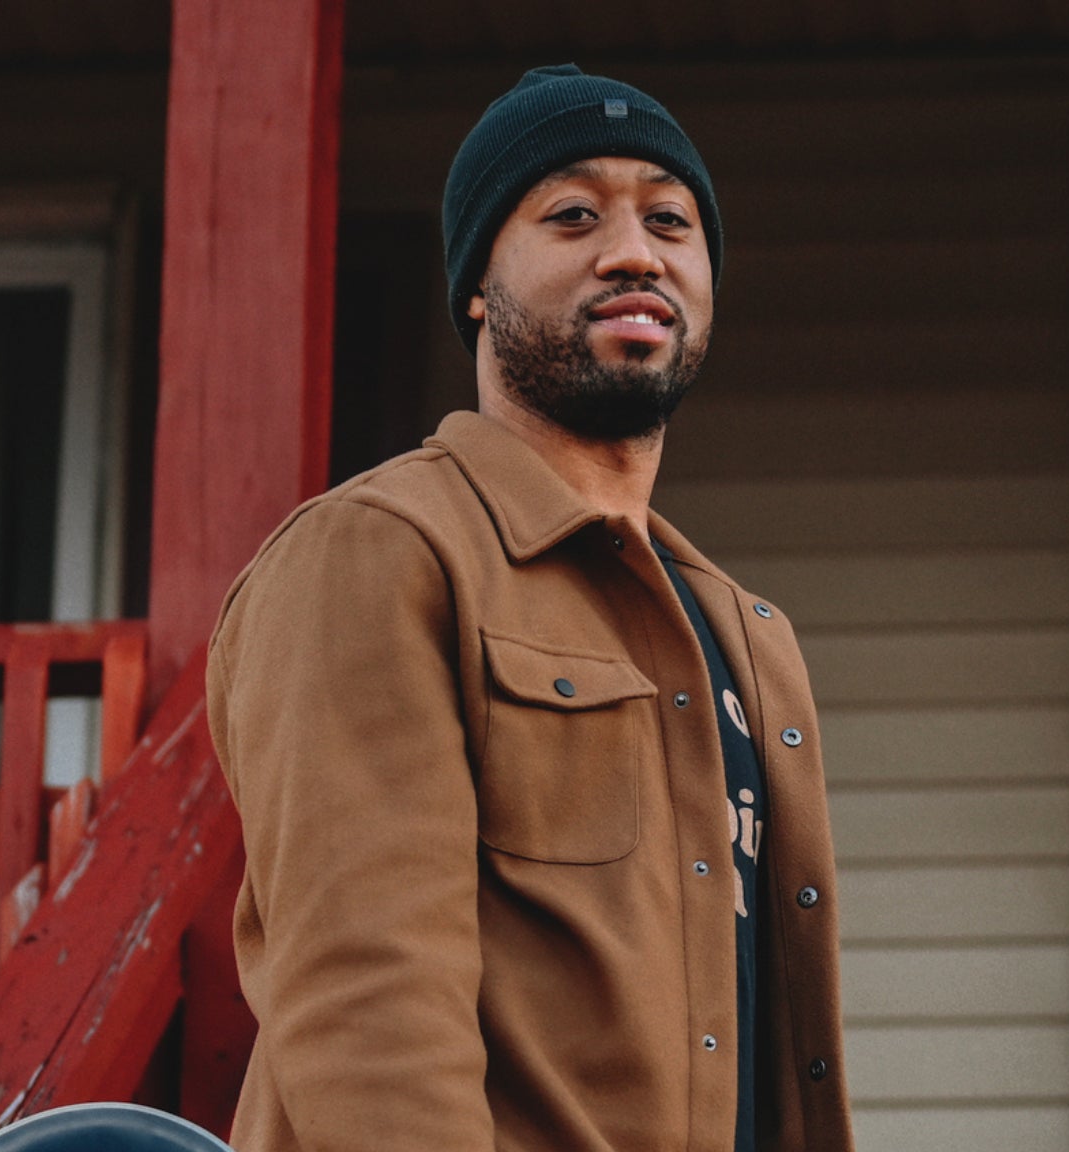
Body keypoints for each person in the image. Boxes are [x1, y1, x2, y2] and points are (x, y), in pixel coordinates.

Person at [206, 64, 852, 1152]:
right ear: (476, 285)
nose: (635, 252)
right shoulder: (377, 553)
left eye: (669, 220)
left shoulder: (748, 636)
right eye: (572, 215)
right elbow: (368, 1008)